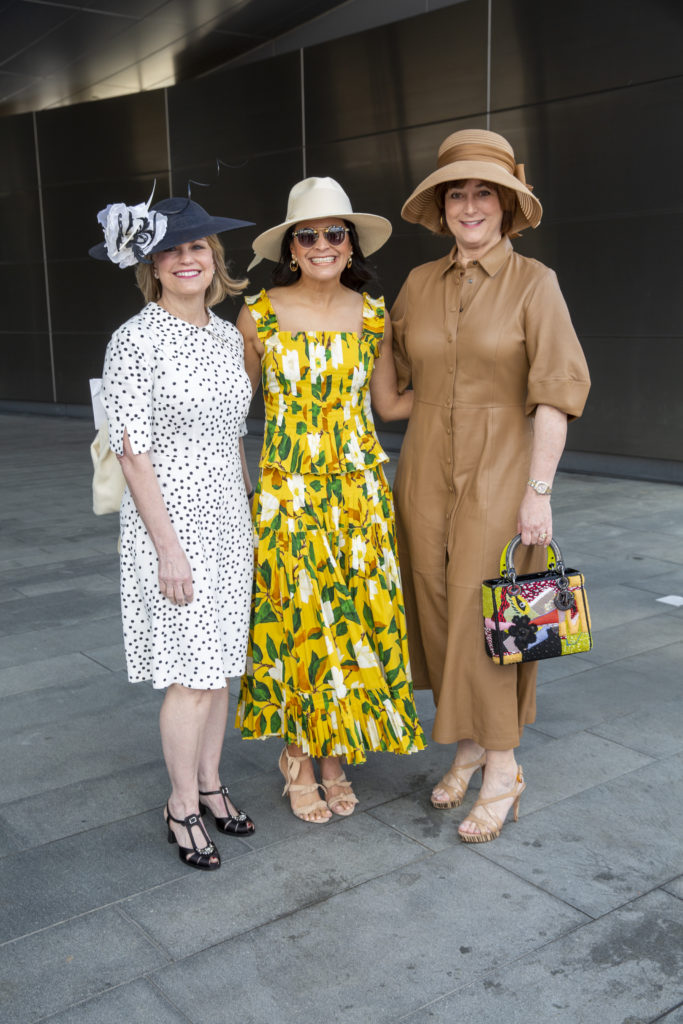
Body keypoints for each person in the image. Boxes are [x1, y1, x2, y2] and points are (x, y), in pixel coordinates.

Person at [391, 130, 591, 842]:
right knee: (437, 607)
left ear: (506, 206)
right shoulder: (415, 285)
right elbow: (389, 393)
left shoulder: (534, 283)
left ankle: (502, 766)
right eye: (456, 193)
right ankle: (470, 744)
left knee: (494, 618)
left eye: (483, 193)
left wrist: (536, 491)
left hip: (503, 469)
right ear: (440, 207)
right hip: (422, 469)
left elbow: (556, 393)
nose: (468, 206)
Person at [235, 177, 425, 822]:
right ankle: (297, 753)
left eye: (334, 233)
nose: (322, 244)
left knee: (353, 622)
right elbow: (231, 413)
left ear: (351, 245)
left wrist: (471, 385)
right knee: (295, 621)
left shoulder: (375, 315)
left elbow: (391, 404)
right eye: (307, 234)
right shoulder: (257, 314)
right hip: (289, 490)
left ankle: (335, 754)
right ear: (291, 246)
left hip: (359, 494)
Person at [91, 193, 256, 869]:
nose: (187, 259)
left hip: (226, 517)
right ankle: (180, 804)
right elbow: (132, 452)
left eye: (198, 248)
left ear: (215, 261)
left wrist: (246, 513)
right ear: (151, 266)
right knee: (190, 674)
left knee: (218, 668)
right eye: (171, 250)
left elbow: (235, 435)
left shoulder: (225, 335)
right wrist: (167, 550)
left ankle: (212, 784)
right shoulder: (136, 339)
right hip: (171, 524)